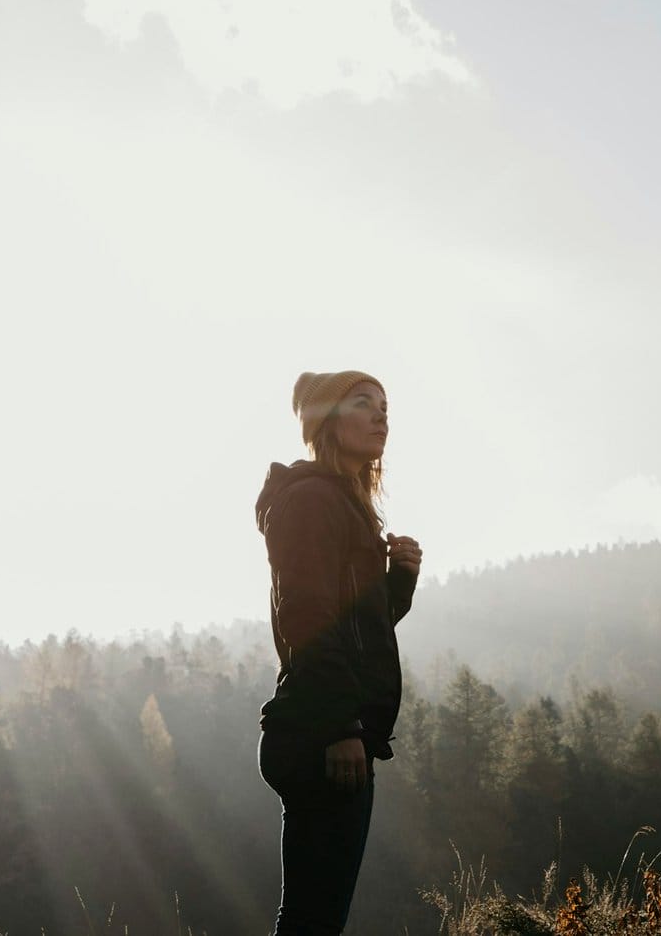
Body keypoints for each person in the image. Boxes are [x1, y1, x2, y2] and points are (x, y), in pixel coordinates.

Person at [255, 370, 421, 935]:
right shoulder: (311, 500)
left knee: (312, 920)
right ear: (325, 421)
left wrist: (398, 580)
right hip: (321, 731)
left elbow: (359, 629)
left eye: (384, 407)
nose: (381, 417)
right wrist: (338, 725)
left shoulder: (341, 506)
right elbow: (306, 615)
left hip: (326, 725)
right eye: (362, 403)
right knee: (311, 922)